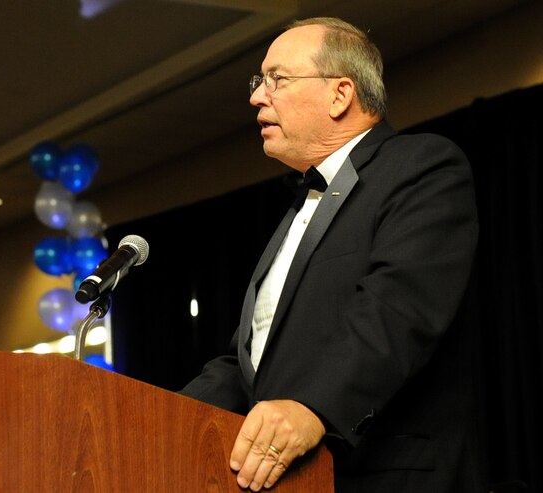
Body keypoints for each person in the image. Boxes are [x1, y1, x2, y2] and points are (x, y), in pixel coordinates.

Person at [179, 17, 481, 493]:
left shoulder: (421, 167)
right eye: (260, 82)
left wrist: (313, 406)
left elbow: (398, 309)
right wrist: (153, 414)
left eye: (277, 79)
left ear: (340, 95)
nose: (258, 96)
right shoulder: (300, 207)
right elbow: (247, 366)